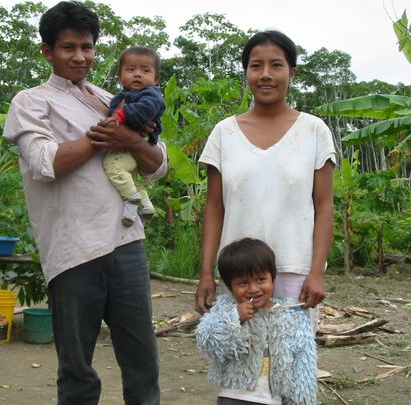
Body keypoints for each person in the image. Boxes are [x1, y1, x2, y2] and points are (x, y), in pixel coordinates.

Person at [3, 2, 166, 404]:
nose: (80, 57)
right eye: (69, 47)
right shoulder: (31, 102)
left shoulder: (110, 98)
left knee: (143, 363)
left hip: (126, 242)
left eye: (87, 47)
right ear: (47, 51)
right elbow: (46, 163)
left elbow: (156, 164)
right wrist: (101, 137)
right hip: (73, 249)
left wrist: (128, 140)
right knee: (77, 371)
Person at [195, 31, 335, 329]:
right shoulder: (224, 133)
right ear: (246, 72)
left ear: (292, 73)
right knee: (239, 364)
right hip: (237, 275)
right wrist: (206, 272)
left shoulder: (314, 131)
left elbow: (324, 207)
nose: (266, 75)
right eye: (256, 66)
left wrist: (316, 273)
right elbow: (214, 208)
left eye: (276, 65)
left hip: (294, 272)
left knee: (291, 365)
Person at [196, 237, 317, 405]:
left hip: (274, 400)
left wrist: (301, 400)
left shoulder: (292, 317)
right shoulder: (226, 309)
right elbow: (208, 341)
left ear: (273, 278)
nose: (253, 289)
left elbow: (304, 364)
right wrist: (234, 317)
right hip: (234, 397)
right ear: (230, 287)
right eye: (243, 283)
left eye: (261, 280)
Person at [103, 47, 166, 227]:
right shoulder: (124, 95)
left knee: (113, 167)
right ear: (120, 76)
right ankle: (145, 205)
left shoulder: (151, 95)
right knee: (131, 176)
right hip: (132, 142)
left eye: (145, 71)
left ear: (155, 79)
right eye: (131, 70)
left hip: (143, 139)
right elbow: (112, 114)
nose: (137, 74)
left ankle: (131, 200)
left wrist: (120, 116)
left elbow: (144, 110)